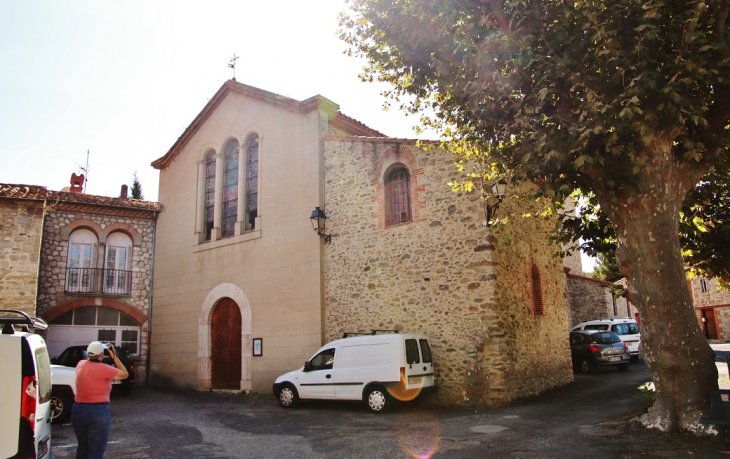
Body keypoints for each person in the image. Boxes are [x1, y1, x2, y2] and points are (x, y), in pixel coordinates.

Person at [71, 341, 128, 459]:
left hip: (78, 409)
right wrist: (115, 358)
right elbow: (125, 374)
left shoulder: (80, 364)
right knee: (96, 450)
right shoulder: (104, 369)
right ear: (101, 355)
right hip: (98, 410)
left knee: (82, 447)